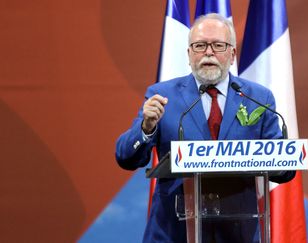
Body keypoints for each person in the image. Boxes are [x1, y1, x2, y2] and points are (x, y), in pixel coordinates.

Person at [115, 13, 295, 242]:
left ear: (232, 54)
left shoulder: (258, 98)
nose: (209, 52)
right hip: (174, 232)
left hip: (237, 233)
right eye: (200, 45)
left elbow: (285, 171)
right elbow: (126, 157)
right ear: (189, 54)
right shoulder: (162, 96)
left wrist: (285, 155)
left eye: (218, 45)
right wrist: (146, 127)